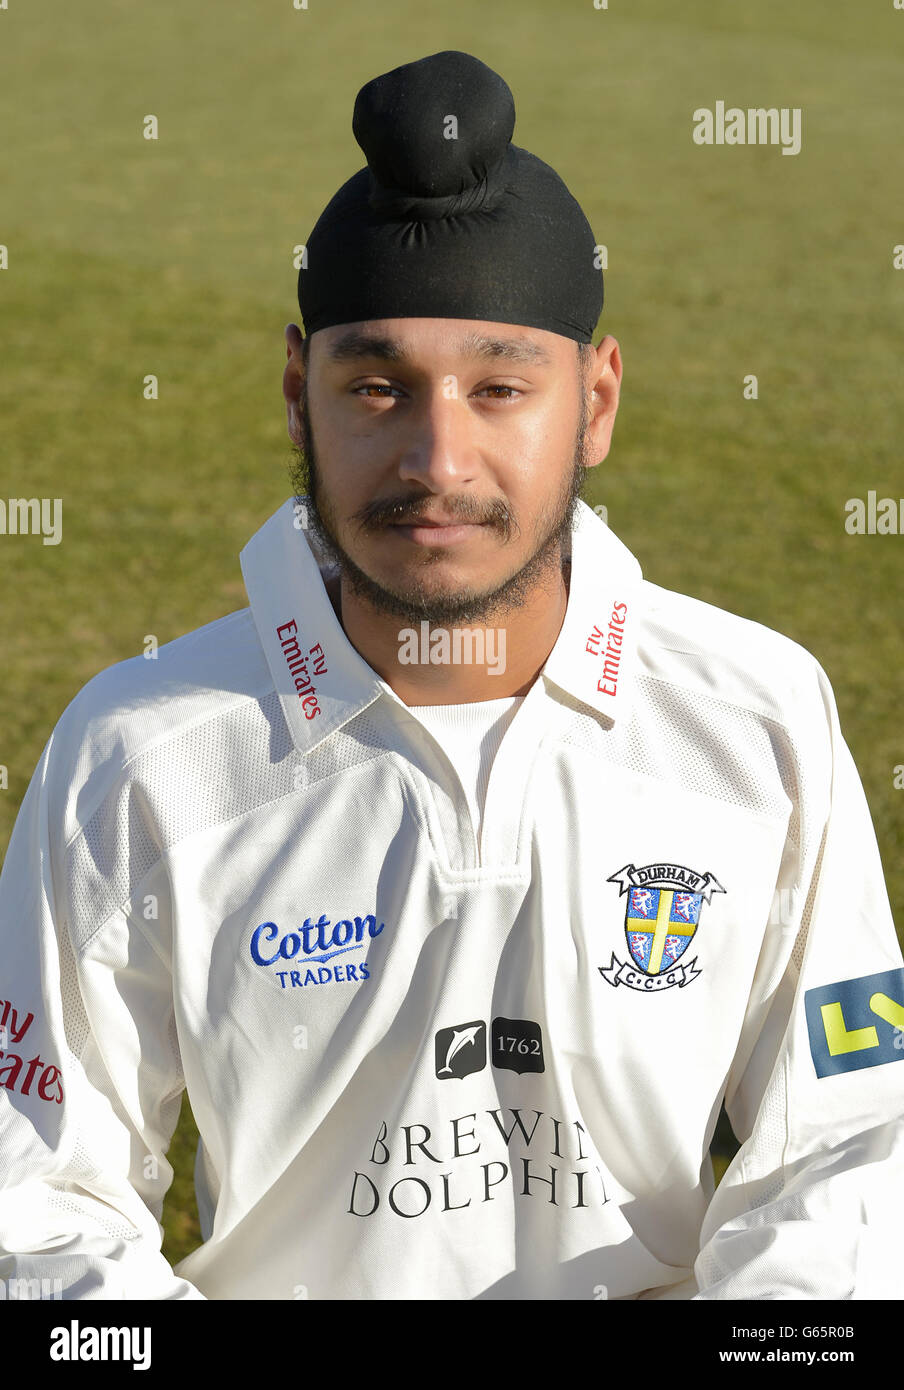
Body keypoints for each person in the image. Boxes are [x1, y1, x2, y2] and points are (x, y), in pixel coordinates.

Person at [1, 49, 901, 1302]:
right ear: (294, 398)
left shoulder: (754, 715)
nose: (437, 456)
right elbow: (34, 1212)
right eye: (375, 387)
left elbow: (853, 1154)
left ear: (594, 402)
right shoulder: (141, 750)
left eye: (498, 389)